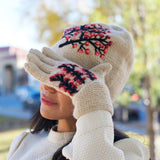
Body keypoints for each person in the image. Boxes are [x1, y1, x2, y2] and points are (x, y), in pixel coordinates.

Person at [7, 23, 150, 160]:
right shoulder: (24, 142)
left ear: (99, 92)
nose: (47, 86)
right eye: (49, 70)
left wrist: (93, 105)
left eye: (66, 78)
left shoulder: (129, 151)